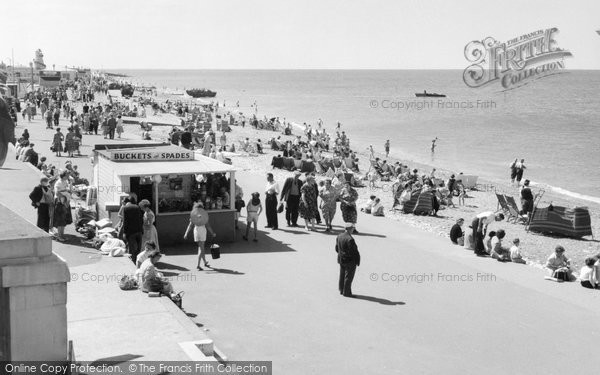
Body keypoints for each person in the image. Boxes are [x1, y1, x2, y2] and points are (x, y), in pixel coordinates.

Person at [184, 200, 216, 270]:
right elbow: (208, 226)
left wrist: (186, 233)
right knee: (201, 249)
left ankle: (204, 262)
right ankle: (198, 265)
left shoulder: (193, 216)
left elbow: (190, 225)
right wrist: (212, 233)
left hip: (196, 231)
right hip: (202, 232)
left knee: (201, 248)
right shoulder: (204, 215)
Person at [336, 222, 361, 298]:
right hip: (349, 261)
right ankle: (346, 292)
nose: (353, 229)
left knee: (342, 275)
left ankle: (341, 289)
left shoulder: (339, 236)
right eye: (353, 228)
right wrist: (357, 260)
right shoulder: (350, 239)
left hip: (341, 259)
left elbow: (337, 248)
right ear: (350, 229)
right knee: (348, 277)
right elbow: (354, 252)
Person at [120, 196, 144, 264]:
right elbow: (141, 219)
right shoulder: (137, 207)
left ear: (126, 202)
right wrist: (142, 230)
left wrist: (124, 232)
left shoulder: (126, 208)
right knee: (138, 249)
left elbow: (125, 221)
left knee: (132, 249)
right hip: (139, 231)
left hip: (131, 232)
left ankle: (133, 264)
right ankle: (138, 261)